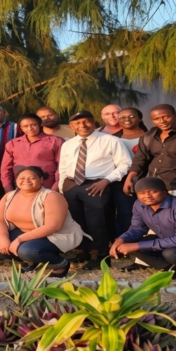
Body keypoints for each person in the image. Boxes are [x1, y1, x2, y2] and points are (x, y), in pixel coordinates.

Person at [57, 110, 131, 269]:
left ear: (93, 122)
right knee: (77, 220)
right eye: (77, 123)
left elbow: (125, 164)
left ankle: (100, 255)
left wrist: (106, 180)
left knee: (96, 221)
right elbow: (63, 167)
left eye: (86, 121)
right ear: (71, 126)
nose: (82, 125)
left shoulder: (110, 140)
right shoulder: (67, 144)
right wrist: (63, 187)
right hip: (71, 184)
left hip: (97, 184)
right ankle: (84, 251)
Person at [0, 166, 83, 276]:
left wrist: (19, 239)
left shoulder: (51, 196)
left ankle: (60, 264)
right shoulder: (9, 196)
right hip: (25, 231)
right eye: (22, 178)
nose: (26, 181)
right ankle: (34, 262)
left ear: (41, 180)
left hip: (54, 234)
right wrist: (3, 238)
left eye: (32, 178)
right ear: (16, 180)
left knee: (27, 251)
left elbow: (53, 226)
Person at [124, 104, 176, 202]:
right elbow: (139, 160)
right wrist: (129, 179)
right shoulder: (148, 136)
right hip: (154, 187)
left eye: (166, 117)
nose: (162, 121)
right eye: (156, 119)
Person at [0, 113, 62, 192]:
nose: (30, 128)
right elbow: (5, 169)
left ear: (40, 124)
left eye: (33, 125)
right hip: (21, 187)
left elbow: (61, 168)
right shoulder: (12, 144)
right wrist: (8, 190)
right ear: (21, 128)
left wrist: (54, 189)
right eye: (25, 126)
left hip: (47, 186)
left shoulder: (55, 141)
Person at [113, 107, 148, 234]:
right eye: (122, 117)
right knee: (126, 211)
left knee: (148, 210)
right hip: (121, 181)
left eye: (132, 116)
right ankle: (127, 239)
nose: (127, 119)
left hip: (146, 178)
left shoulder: (151, 136)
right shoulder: (113, 139)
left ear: (140, 118)